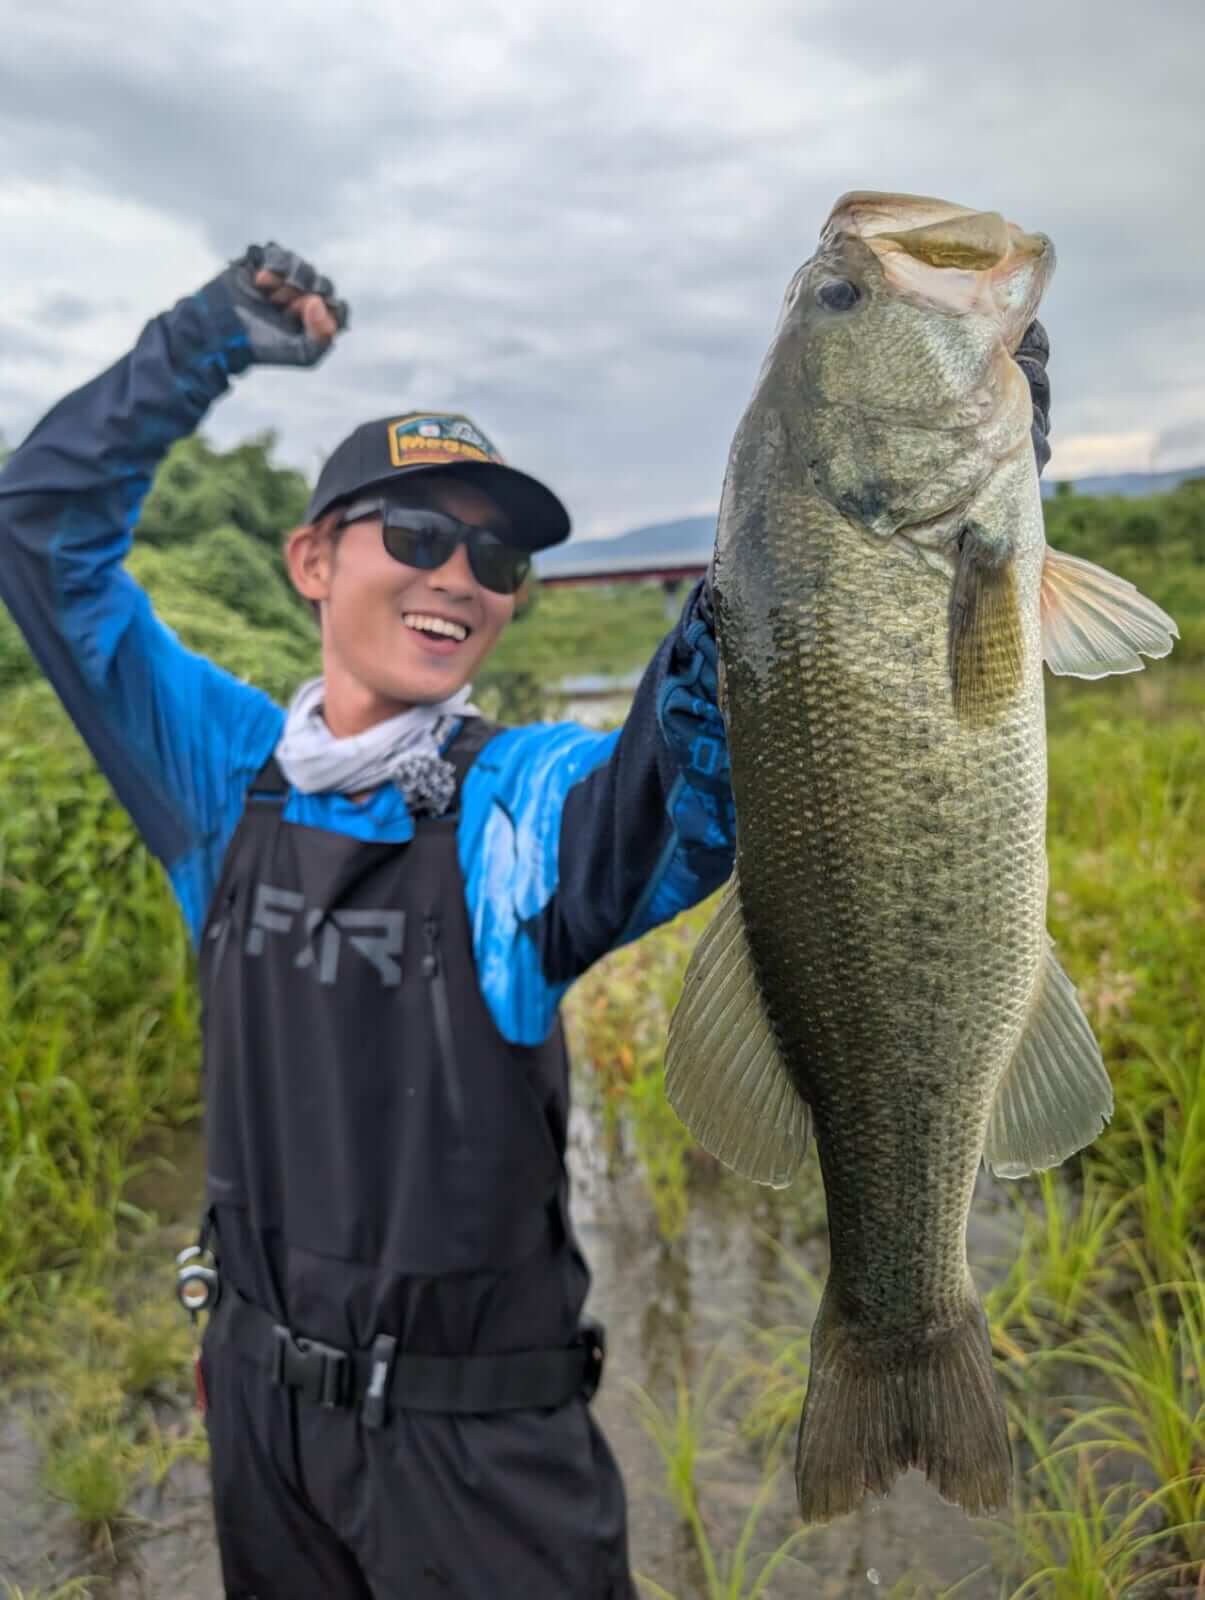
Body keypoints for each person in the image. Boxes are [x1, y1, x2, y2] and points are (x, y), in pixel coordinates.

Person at [0, 243, 1052, 1599]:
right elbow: (41, 533)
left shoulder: (518, 806)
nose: (461, 577)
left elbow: (700, 768)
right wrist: (208, 336)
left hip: (483, 1455)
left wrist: (894, 529)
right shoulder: (218, 777)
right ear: (311, 558)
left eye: (495, 556)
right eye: (419, 536)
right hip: (259, 1418)